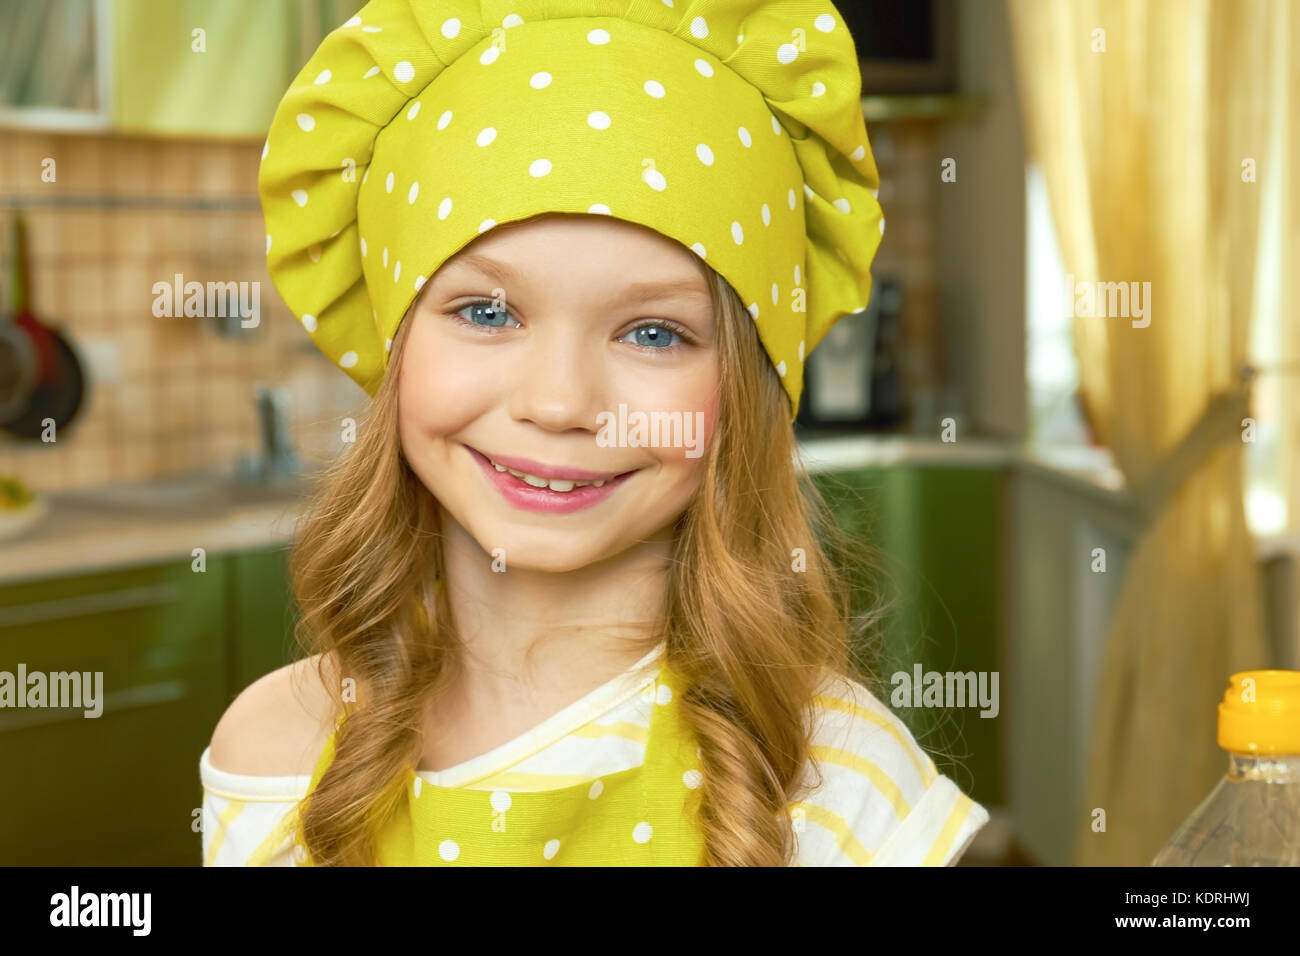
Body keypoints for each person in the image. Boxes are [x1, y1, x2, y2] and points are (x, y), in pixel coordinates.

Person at [200, 0, 990, 866]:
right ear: (395, 346)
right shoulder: (275, 755)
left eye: (654, 332)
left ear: (743, 385)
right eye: (488, 311)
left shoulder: (843, 782)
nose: (561, 401)